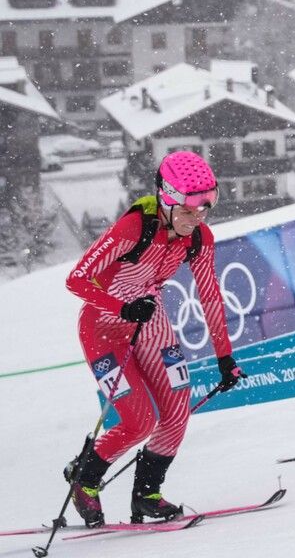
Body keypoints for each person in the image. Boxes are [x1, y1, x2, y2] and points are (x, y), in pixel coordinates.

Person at [64, 151, 243, 528]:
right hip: (103, 326)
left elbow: (209, 295)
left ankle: (146, 494)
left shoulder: (198, 238)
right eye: (190, 211)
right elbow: (76, 280)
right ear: (167, 200)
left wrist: (224, 357)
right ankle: (86, 479)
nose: (197, 221)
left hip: (149, 320)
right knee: (139, 421)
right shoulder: (133, 228)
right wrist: (122, 307)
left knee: (178, 406)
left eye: (205, 210)